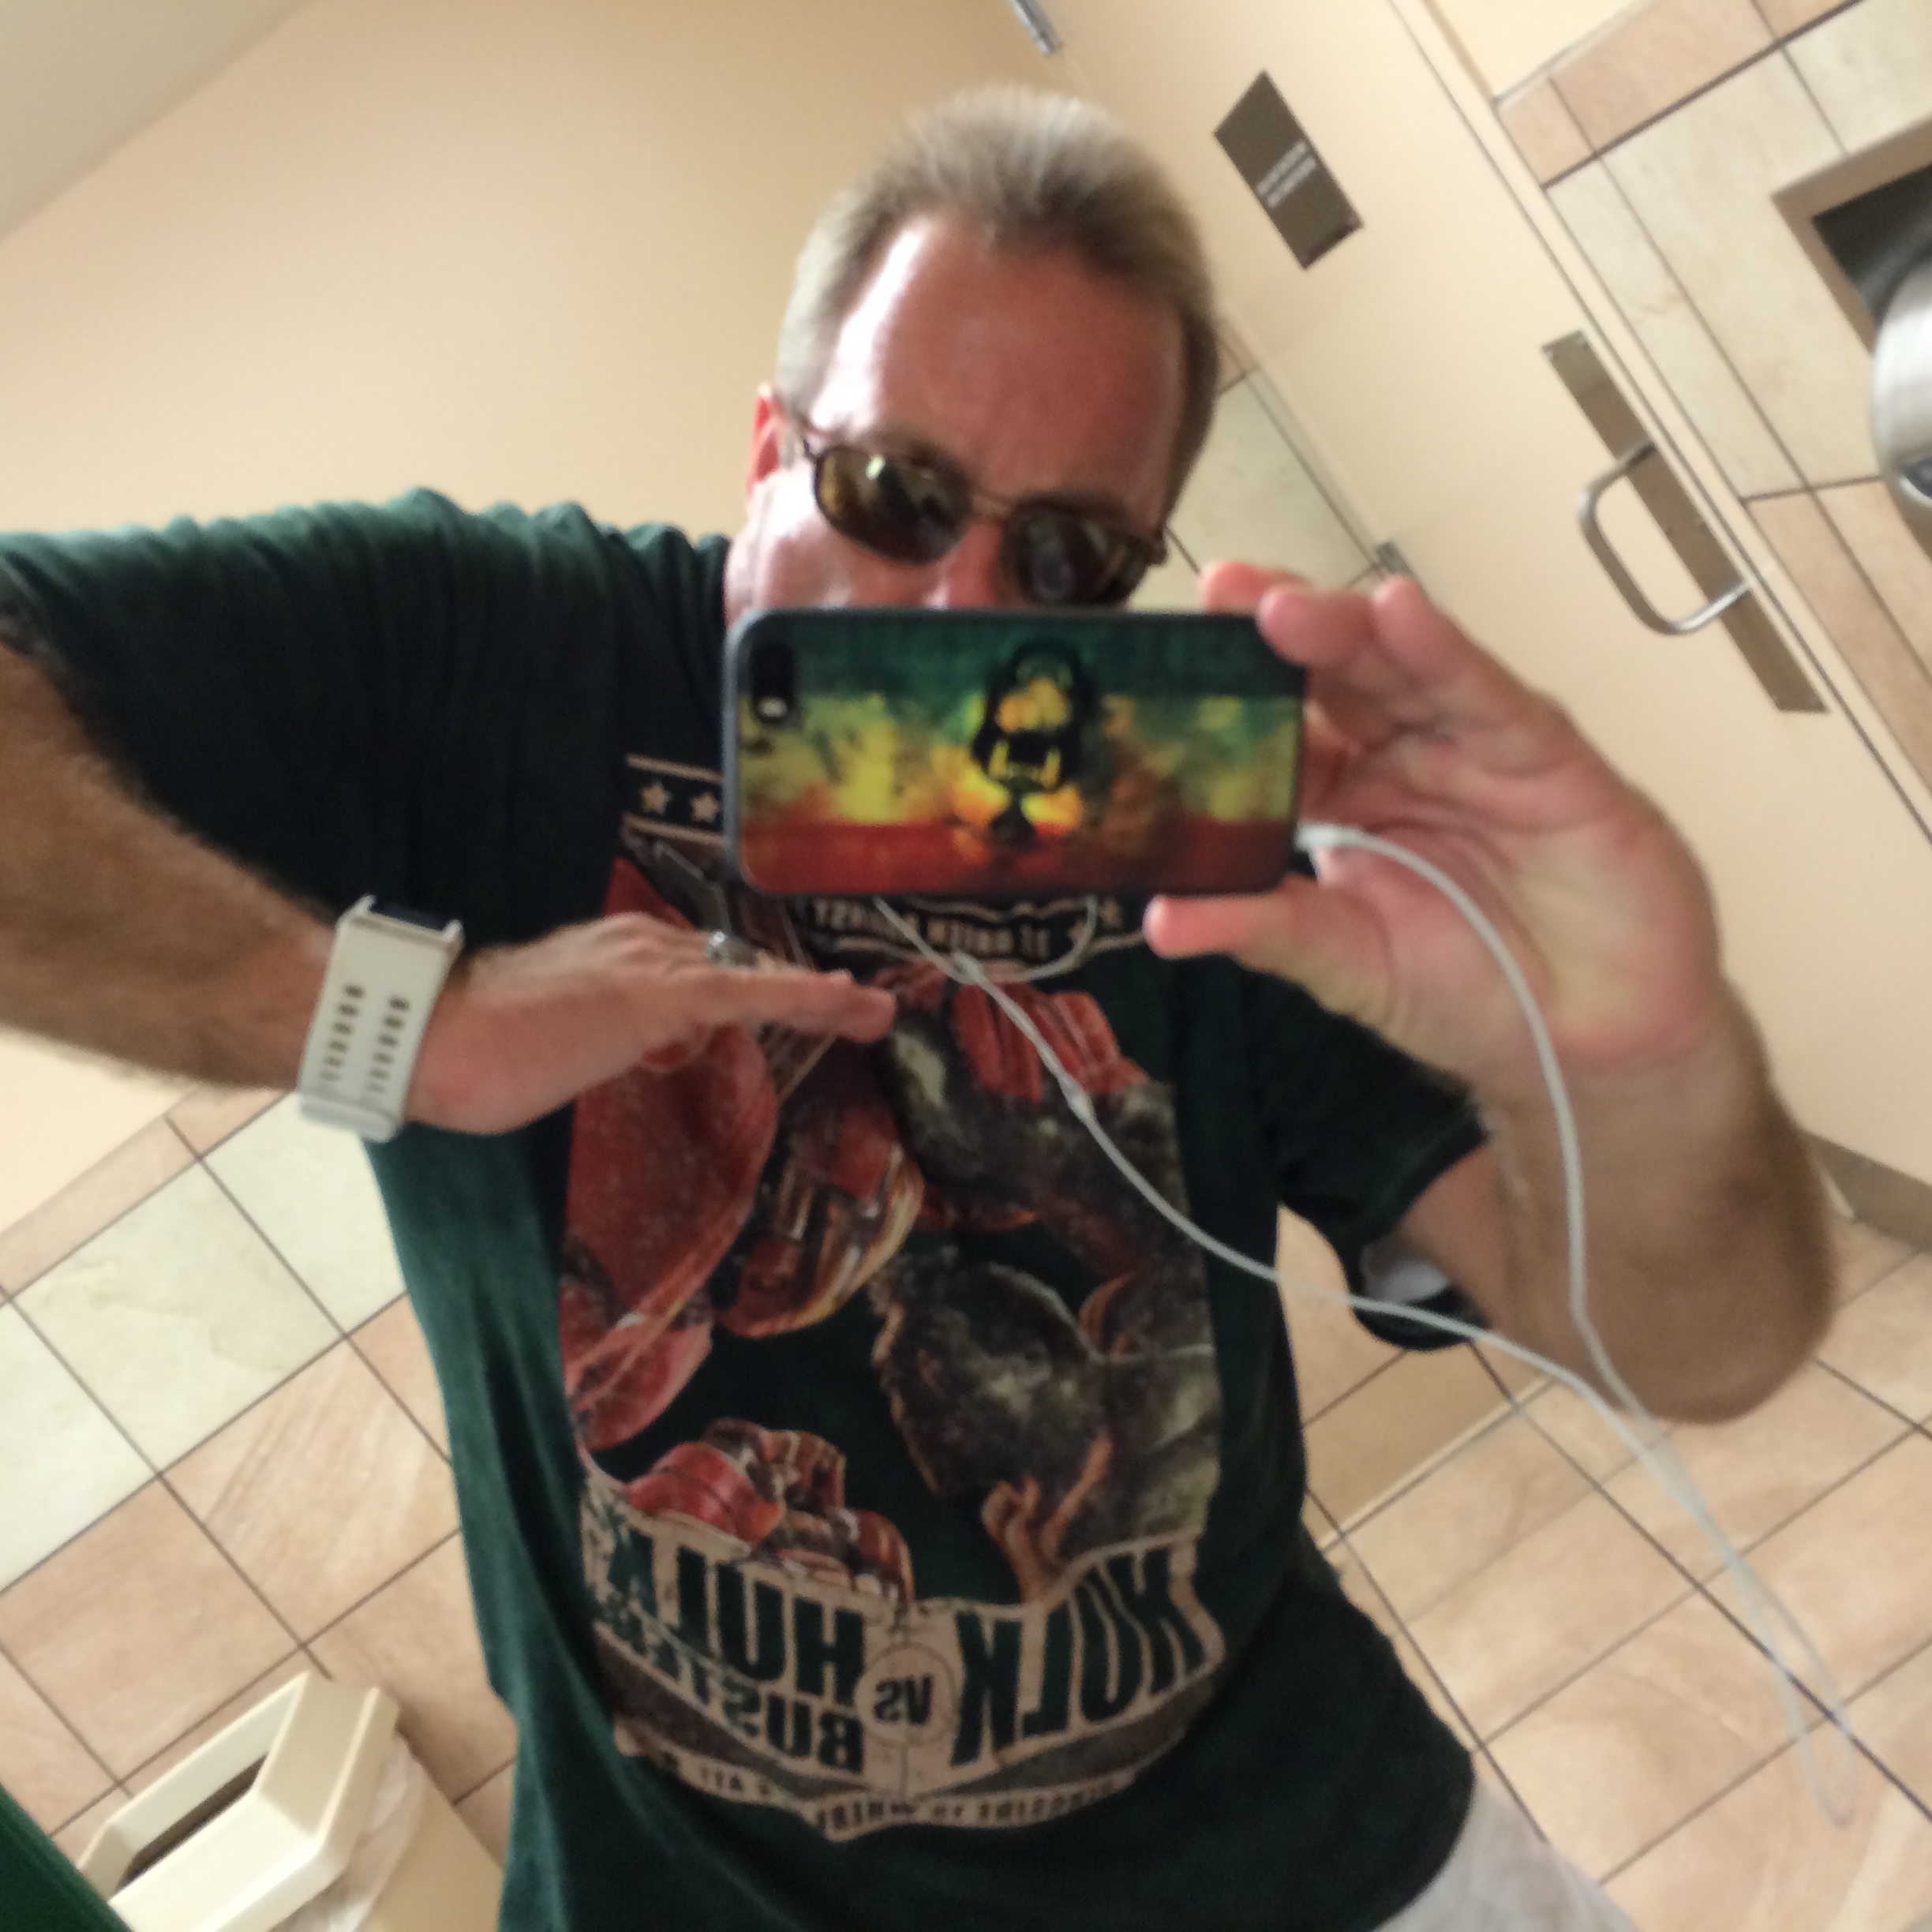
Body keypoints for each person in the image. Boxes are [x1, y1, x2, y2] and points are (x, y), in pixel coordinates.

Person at [0, 87, 1829, 1932]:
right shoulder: (492, 667)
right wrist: (392, 1024)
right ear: (767, 450)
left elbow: (1702, 1348)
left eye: (1065, 559)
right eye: (894, 496)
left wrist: (1632, 1054)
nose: (956, 607)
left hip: (1318, 1873)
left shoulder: (1192, 820)